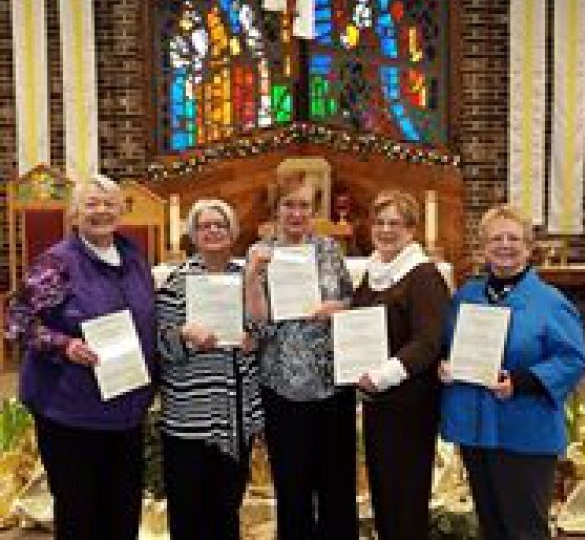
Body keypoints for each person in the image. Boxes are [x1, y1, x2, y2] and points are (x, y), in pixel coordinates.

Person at [7, 174, 156, 540]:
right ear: (74, 213)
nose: (101, 211)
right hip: (71, 410)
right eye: (92, 204)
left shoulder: (133, 256)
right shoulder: (57, 263)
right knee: (80, 514)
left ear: (122, 210)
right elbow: (17, 321)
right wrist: (64, 345)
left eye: (110, 204)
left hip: (125, 407)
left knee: (122, 511)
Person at [440, 204, 585, 540]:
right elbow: (448, 345)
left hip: (525, 430)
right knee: (490, 525)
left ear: (528, 247)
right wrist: (445, 365)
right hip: (476, 429)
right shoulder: (466, 297)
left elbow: (573, 359)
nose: (504, 245)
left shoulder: (550, 301)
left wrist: (521, 381)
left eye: (513, 238)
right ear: (483, 246)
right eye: (496, 239)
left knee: (525, 529)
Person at [245, 171, 359, 540]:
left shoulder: (330, 250)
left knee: (336, 487)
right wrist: (254, 279)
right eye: (289, 205)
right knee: (292, 489)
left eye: (304, 206)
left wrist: (337, 309)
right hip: (282, 386)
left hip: (331, 385)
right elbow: (255, 327)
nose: (296, 213)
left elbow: (351, 302)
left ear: (314, 210)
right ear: (276, 209)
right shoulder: (259, 253)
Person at [156, 199, 263, 540]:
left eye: (221, 224)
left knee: (226, 509)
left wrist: (255, 340)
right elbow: (161, 343)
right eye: (205, 226)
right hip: (190, 416)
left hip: (235, 415)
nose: (213, 231)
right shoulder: (176, 282)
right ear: (194, 235)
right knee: (188, 512)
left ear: (233, 232)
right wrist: (184, 335)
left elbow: (264, 328)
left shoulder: (247, 277)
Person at [352, 189, 450, 540]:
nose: (385, 230)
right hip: (380, 403)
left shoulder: (423, 275)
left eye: (395, 223)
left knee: (406, 497)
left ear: (411, 229)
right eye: (379, 222)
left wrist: (381, 376)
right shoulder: (374, 271)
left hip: (411, 404)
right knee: (385, 493)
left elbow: (429, 342)